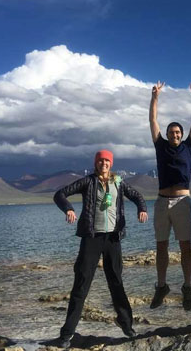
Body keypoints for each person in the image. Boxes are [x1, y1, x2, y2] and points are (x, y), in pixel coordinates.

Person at [53, 149, 148, 348]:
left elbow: (138, 196)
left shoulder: (118, 182)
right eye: (100, 160)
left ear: (110, 163)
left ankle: (126, 324)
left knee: (116, 282)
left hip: (113, 239)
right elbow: (59, 194)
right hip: (92, 238)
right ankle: (67, 334)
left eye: (107, 160)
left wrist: (142, 209)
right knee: (81, 284)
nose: (103, 163)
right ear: (96, 163)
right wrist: (68, 208)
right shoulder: (87, 182)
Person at [148, 80, 191, 310]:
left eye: (178, 132)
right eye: (171, 132)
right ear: (167, 134)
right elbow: (152, 120)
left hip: (182, 201)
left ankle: (187, 287)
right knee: (161, 246)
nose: (175, 134)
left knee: (185, 246)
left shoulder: (188, 147)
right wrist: (155, 97)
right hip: (161, 202)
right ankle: (162, 286)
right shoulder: (160, 146)